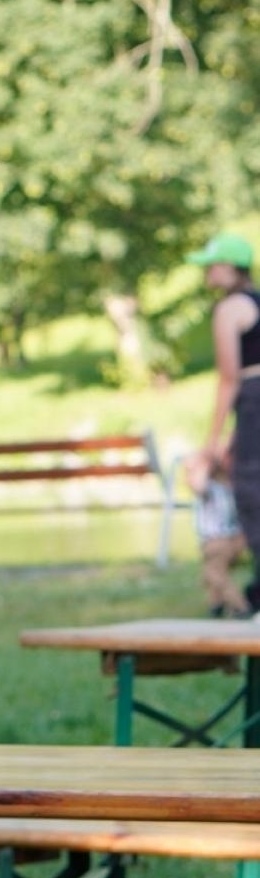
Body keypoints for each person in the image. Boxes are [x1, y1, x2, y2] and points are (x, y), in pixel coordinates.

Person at [193, 232, 260, 611]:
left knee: (252, 495)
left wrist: (214, 442)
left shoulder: (230, 308)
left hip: (253, 402)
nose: (207, 275)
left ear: (231, 268)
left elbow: (229, 378)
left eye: (212, 266)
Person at [184, 452, 248, 618]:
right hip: (235, 539)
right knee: (215, 572)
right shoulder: (230, 486)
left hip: (217, 541)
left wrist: (202, 463)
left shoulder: (211, 489)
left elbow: (197, 485)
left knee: (214, 574)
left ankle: (240, 607)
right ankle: (216, 606)